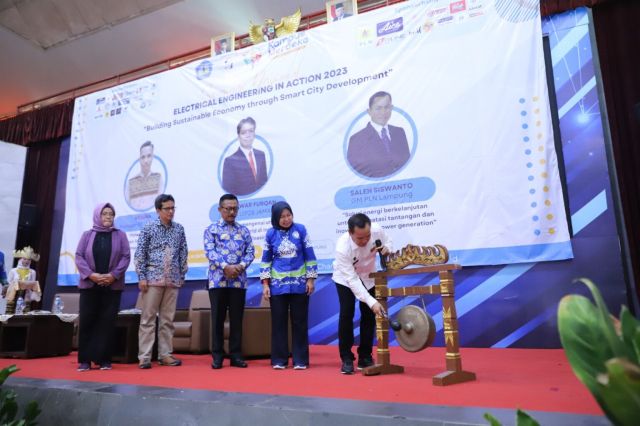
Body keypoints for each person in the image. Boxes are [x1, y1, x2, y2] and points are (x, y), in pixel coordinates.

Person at [75, 202, 131, 371]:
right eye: (105, 213)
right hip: (89, 285)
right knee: (87, 321)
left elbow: (126, 257)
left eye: (111, 214)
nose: (108, 217)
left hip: (112, 286)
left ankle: (104, 359)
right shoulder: (87, 235)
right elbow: (79, 256)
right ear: (98, 216)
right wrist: (91, 275)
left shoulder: (120, 235)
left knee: (107, 322)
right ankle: (85, 360)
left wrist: (113, 275)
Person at [260, 201, 317, 370]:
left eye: (288, 215)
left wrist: (310, 280)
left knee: (300, 323)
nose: (286, 219)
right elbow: (266, 260)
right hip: (277, 286)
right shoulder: (270, 234)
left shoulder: (301, 230)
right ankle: (279, 360)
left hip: (300, 285)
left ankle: (300, 360)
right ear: (275, 218)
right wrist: (265, 284)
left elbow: (310, 256)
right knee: (278, 323)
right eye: (282, 217)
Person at [332, 213, 391, 374]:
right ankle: (346, 358)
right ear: (350, 233)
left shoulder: (376, 230)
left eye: (367, 236)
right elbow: (353, 281)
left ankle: (365, 356)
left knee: (369, 315)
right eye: (360, 238)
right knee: (347, 313)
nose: (365, 240)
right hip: (346, 279)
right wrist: (372, 301)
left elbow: (388, 242)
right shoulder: (342, 248)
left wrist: (387, 248)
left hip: (369, 276)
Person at [134, 194, 188, 369]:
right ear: (158, 210)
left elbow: (183, 253)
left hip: (172, 280)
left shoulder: (179, 229)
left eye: (173, 208)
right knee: (148, 319)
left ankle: (165, 354)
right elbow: (140, 254)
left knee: (167, 320)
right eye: (167, 208)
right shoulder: (148, 228)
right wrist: (142, 277)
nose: (171, 211)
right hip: (152, 279)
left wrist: (181, 275)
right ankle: (144, 356)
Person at [204, 194, 255, 369]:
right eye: (228, 208)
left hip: (238, 282)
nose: (232, 212)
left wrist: (240, 266)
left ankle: (236, 356)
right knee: (217, 320)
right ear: (220, 209)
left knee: (236, 320)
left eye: (235, 208)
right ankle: (217, 356)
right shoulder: (211, 230)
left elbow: (250, 252)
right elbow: (210, 252)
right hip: (217, 282)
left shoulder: (244, 231)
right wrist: (225, 266)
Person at [347, 91, 411, 178]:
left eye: (387, 107)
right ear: (369, 111)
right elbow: (354, 173)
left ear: (391, 108)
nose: (383, 112)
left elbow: (407, 163)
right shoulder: (356, 139)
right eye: (378, 108)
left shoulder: (399, 132)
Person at [221, 117, 268, 196]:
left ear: (254, 133)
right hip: (243, 202)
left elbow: (264, 182)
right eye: (243, 132)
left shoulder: (261, 155)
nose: (248, 135)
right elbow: (228, 191)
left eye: (251, 131)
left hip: (263, 200)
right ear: (238, 136)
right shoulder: (230, 161)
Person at [126, 141, 164, 210]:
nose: (146, 161)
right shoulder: (131, 182)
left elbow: (161, 205)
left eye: (149, 156)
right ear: (139, 159)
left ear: (152, 157)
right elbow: (127, 207)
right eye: (143, 157)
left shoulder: (158, 178)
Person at [6, 246, 42, 313]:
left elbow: (32, 283)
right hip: (14, 293)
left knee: (25, 308)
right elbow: (9, 282)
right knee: (11, 307)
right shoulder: (13, 271)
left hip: (26, 294)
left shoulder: (32, 272)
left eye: (29, 259)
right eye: (24, 259)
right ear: (20, 259)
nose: (26, 261)